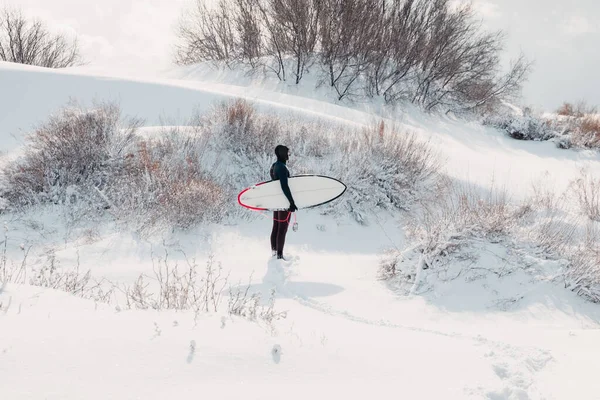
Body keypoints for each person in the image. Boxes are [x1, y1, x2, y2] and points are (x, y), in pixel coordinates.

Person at [270, 145, 297, 260]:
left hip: (277, 201)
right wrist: (291, 202)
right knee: (282, 228)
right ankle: (279, 256)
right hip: (283, 202)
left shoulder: (274, 166)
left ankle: (275, 253)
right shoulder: (281, 167)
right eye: (287, 152)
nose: (288, 155)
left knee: (276, 227)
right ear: (281, 153)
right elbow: (284, 186)